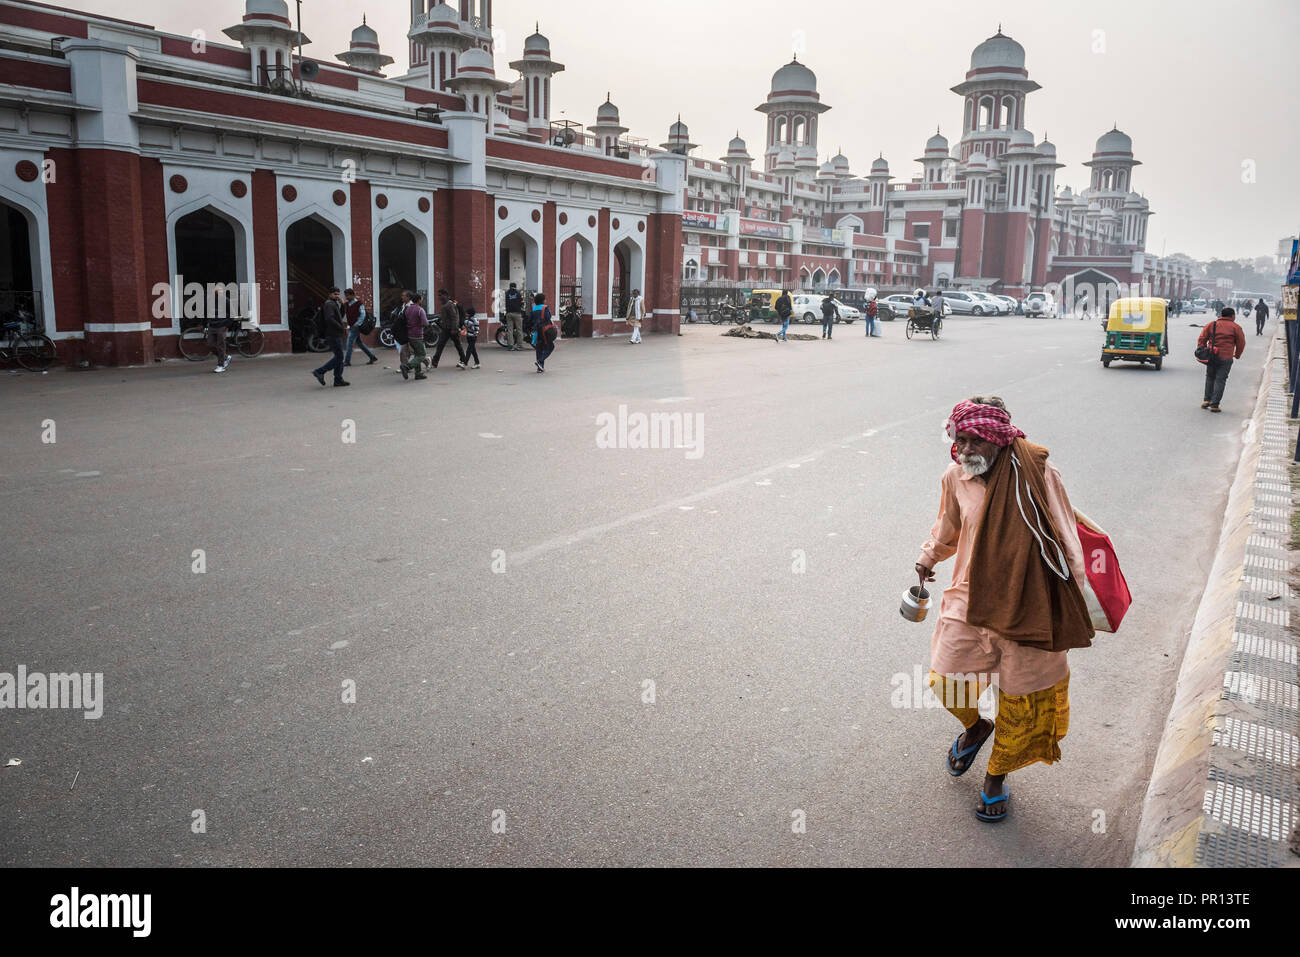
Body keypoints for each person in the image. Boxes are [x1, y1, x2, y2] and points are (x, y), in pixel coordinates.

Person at [916, 396, 1094, 823]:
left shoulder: (1039, 473)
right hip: (969, 598)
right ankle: (977, 727)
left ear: (997, 440)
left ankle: (995, 778)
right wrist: (927, 558)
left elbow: (1066, 536)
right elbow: (949, 527)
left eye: (973, 441)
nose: (964, 450)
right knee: (946, 679)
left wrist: (1076, 600)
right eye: (959, 441)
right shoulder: (956, 476)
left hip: (1029, 604)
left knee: (1022, 702)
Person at [1198, 307, 1246, 412]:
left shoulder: (1212, 325)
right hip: (1226, 358)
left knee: (1210, 377)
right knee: (1220, 380)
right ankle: (1214, 405)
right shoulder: (1236, 327)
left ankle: (1206, 400)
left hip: (1212, 356)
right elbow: (1241, 343)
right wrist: (1237, 355)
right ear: (1232, 316)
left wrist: (1202, 350)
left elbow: (1202, 339)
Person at [311, 288, 349, 387]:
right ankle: (320, 371)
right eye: (335, 294)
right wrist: (341, 327)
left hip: (336, 333)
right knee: (339, 357)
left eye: (338, 294)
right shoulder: (329, 304)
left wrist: (343, 305)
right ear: (329, 294)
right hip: (333, 334)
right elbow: (329, 319)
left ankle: (338, 379)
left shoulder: (334, 304)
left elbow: (340, 316)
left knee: (339, 357)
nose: (337, 296)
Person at [431, 289, 467, 369]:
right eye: (438, 295)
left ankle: (464, 360)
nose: (439, 297)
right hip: (446, 329)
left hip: (451, 329)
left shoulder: (449, 305)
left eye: (440, 295)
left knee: (457, 345)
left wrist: (454, 329)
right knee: (441, 345)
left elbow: (454, 317)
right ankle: (435, 361)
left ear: (445, 295)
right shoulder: (445, 304)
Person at [342, 288, 378, 367]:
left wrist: (357, 324)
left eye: (347, 295)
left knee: (349, 343)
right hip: (352, 326)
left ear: (352, 295)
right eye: (345, 296)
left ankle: (347, 361)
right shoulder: (347, 304)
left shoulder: (359, 303)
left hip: (356, 326)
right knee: (359, 343)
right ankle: (372, 357)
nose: (346, 297)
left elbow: (363, 314)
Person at [399, 292, 429, 381]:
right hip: (418, 335)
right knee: (422, 355)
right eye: (422, 299)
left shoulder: (408, 309)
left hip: (410, 334)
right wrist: (427, 324)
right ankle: (407, 366)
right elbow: (425, 323)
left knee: (417, 354)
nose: (422, 300)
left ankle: (418, 373)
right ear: (419, 300)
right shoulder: (420, 310)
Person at [532, 293, 557, 372]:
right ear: (543, 300)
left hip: (537, 331)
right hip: (545, 331)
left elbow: (530, 320)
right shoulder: (545, 308)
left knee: (539, 348)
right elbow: (548, 317)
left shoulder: (534, 309)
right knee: (550, 346)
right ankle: (540, 361)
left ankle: (540, 367)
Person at [205, 308, 232, 374]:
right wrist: (205, 324)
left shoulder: (225, 300)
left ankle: (220, 366)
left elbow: (232, 314)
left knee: (220, 345)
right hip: (211, 326)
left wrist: (226, 325)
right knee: (210, 344)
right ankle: (225, 357)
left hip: (221, 326)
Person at [504, 282, 525, 351]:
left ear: (510, 286)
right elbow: (522, 303)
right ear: (515, 286)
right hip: (517, 313)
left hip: (509, 313)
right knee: (519, 330)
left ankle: (510, 346)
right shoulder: (518, 293)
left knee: (510, 330)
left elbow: (504, 302)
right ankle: (519, 346)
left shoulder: (506, 293)